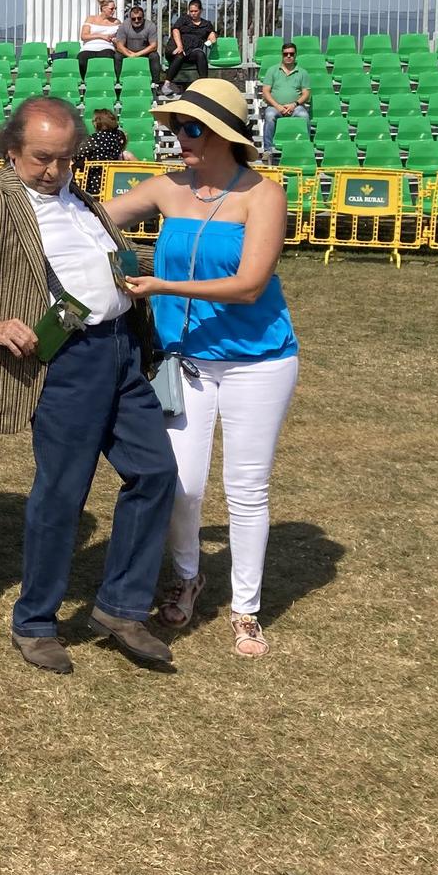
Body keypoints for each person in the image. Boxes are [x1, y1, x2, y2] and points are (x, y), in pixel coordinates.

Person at [0, 96, 175, 674]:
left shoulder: (80, 201)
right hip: (64, 364)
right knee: (63, 493)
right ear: (9, 149)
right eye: (42, 159)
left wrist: (129, 275)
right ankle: (35, 621)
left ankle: (121, 608)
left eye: (65, 159)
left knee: (155, 473)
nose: (54, 170)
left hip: (121, 352)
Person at [106, 79, 299, 660]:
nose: (176, 138)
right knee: (182, 485)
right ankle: (188, 577)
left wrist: (161, 284)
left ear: (221, 136)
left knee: (245, 489)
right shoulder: (168, 187)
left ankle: (246, 609)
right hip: (183, 363)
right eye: (174, 128)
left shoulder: (262, 196)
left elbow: (248, 285)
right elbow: (98, 218)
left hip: (258, 363)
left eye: (189, 129)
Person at [257, 43, 311, 156]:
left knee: (304, 116)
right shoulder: (272, 70)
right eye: (286, 54)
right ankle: (268, 150)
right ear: (282, 55)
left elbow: (306, 94)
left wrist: (294, 104)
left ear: (296, 55)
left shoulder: (303, 73)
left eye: (291, 54)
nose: (288, 56)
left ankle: (306, 146)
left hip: (295, 107)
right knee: (269, 115)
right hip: (275, 107)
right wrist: (278, 106)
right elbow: (266, 91)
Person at [164, 0, 217, 90]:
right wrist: (180, 46)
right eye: (191, 11)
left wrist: (213, 35)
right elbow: (175, 30)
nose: (193, 13)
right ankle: (167, 84)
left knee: (200, 54)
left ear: (200, 11)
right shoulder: (184, 19)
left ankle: (203, 84)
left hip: (191, 52)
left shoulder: (206, 24)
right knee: (180, 56)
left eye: (195, 11)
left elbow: (212, 35)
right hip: (176, 48)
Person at [116, 3, 161, 88]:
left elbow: (154, 46)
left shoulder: (150, 26)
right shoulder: (124, 26)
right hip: (128, 53)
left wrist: (137, 54)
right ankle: (119, 84)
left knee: (155, 56)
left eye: (139, 18)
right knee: (117, 56)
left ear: (143, 17)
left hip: (144, 53)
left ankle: (156, 84)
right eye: (133, 19)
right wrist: (130, 55)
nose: (136, 20)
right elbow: (119, 46)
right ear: (130, 18)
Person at [79, 0, 121, 77]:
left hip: (107, 48)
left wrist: (115, 40)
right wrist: (102, 36)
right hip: (88, 48)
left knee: (108, 58)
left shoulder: (116, 22)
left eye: (115, 8)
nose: (114, 11)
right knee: (81, 60)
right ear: (104, 8)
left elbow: (120, 37)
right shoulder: (91, 19)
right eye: (112, 9)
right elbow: (84, 36)